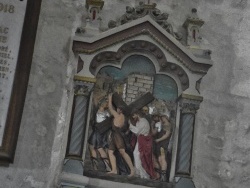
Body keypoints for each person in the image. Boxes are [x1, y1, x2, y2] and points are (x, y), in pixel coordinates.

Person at [107, 93, 135, 177]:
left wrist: (110, 98)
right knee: (110, 152)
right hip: (115, 136)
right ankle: (114, 169)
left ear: (121, 110)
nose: (117, 110)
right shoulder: (125, 118)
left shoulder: (118, 116)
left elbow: (110, 108)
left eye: (118, 109)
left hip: (117, 136)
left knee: (122, 152)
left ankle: (132, 170)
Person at [129, 110, 156, 179]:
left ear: (137, 114)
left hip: (144, 141)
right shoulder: (139, 122)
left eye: (134, 115)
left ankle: (144, 174)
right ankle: (139, 172)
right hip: (140, 140)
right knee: (136, 155)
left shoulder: (143, 121)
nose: (133, 117)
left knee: (140, 156)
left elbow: (137, 131)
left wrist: (130, 125)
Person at [87, 98, 111, 172]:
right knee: (91, 146)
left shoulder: (107, 113)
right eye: (105, 103)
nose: (106, 104)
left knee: (99, 147)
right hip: (96, 130)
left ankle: (107, 166)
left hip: (101, 131)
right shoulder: (96, 111)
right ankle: (95, 166)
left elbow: (108, 123)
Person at [151, 114, 172, 181]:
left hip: (163, 144)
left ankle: (163, 175)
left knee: (162, 158)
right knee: (160, 159)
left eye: (163, 118)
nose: (162, 119)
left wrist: (159, 140)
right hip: (160, 144)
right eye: (161, 118)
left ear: (166, 118)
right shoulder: (162, 125)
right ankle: (160, 174)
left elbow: (167, 135)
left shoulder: (168, 125)